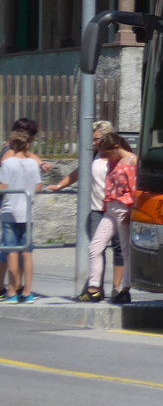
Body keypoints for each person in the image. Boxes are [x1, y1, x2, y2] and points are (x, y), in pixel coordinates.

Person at [47, 121, 124, 298]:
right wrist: (59, 185)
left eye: (96, 139)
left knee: (120, 249)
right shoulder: (94, 156)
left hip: (117, 208)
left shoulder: (118, 157)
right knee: (97, 248)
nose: (93, 143)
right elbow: (79, 172)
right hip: (98, 209)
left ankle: (117, 288)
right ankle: (95, 287)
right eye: (93, 139)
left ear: (107, 138)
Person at [78, 133, 137, 305]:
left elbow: (135, 189)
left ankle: (125, 289)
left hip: (124, 208)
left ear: (116, 148)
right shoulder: (114, 160)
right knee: (95, 247)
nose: (105, 157)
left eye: (107, 153)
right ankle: (94, 289)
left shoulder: (132, 161)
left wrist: (131, 211)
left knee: (125, 249)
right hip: (110, 207)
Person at [0, 128, 44, 302]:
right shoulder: (32, 163)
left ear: (11, 144)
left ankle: (12, 290)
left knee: (11, 251)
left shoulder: (8, 163)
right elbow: (38, 187)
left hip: (10, 211)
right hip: (27, 211)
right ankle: (27, 291)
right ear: (28, 144)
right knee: (26, 251)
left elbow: (3, 187)